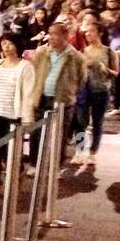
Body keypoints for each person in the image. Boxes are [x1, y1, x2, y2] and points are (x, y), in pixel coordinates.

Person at [29, 20, 83, 165]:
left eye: (55, 34)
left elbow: (81, 78)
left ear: (65, 35)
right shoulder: (41, 52)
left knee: (60, 135)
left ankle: (57, 165)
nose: (51, 37)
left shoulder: (76, 56)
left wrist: (70, 93)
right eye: (50, 34)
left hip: (63, 101)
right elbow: (34, 71)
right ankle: (34, 163)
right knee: (36, 133)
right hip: (42, 98)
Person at [0, 34, 34, 193]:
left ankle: (16, 170)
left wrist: (27, 118)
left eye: (10, 44)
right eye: (4, 43)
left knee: (12, 148)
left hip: (14, 114)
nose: (6, 47)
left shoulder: (25, 67)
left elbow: (27, 94)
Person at [74, 23, 117, 170]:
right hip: (84, 91)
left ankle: (92, 151)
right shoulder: (82, 51)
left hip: (101, 90)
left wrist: (102, 67)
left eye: (91, 31)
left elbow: (116, 73)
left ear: (100, 32)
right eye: (86, 32)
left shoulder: (108, 51)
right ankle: (80, 150)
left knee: (97, 121)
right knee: (80, 121)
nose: (88, 34)